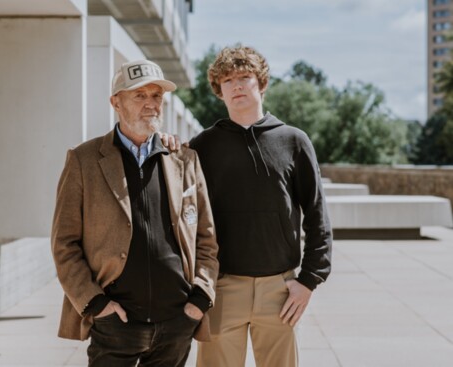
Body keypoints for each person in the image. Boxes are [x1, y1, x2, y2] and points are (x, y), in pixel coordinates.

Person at [51, 59, 219, 367]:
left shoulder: (184, 159)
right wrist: (96, 305)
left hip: (177, 322)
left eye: (156, 96)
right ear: (115, 102)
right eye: (139, 96)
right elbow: (64, 244)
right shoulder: (84, 160)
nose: (150, 104)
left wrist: (200, 299)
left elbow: (206, 238)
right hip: (115, 325)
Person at [181, 46, 332, 367]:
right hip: (221, 286)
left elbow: (317, 215)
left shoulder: (294, 141)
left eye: (244, 77)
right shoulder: (203, 146)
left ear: (261, 84)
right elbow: (183, 213)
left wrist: (308, 280)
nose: (236, 85)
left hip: (279, 289)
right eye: (227, 80)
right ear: (219, 92)